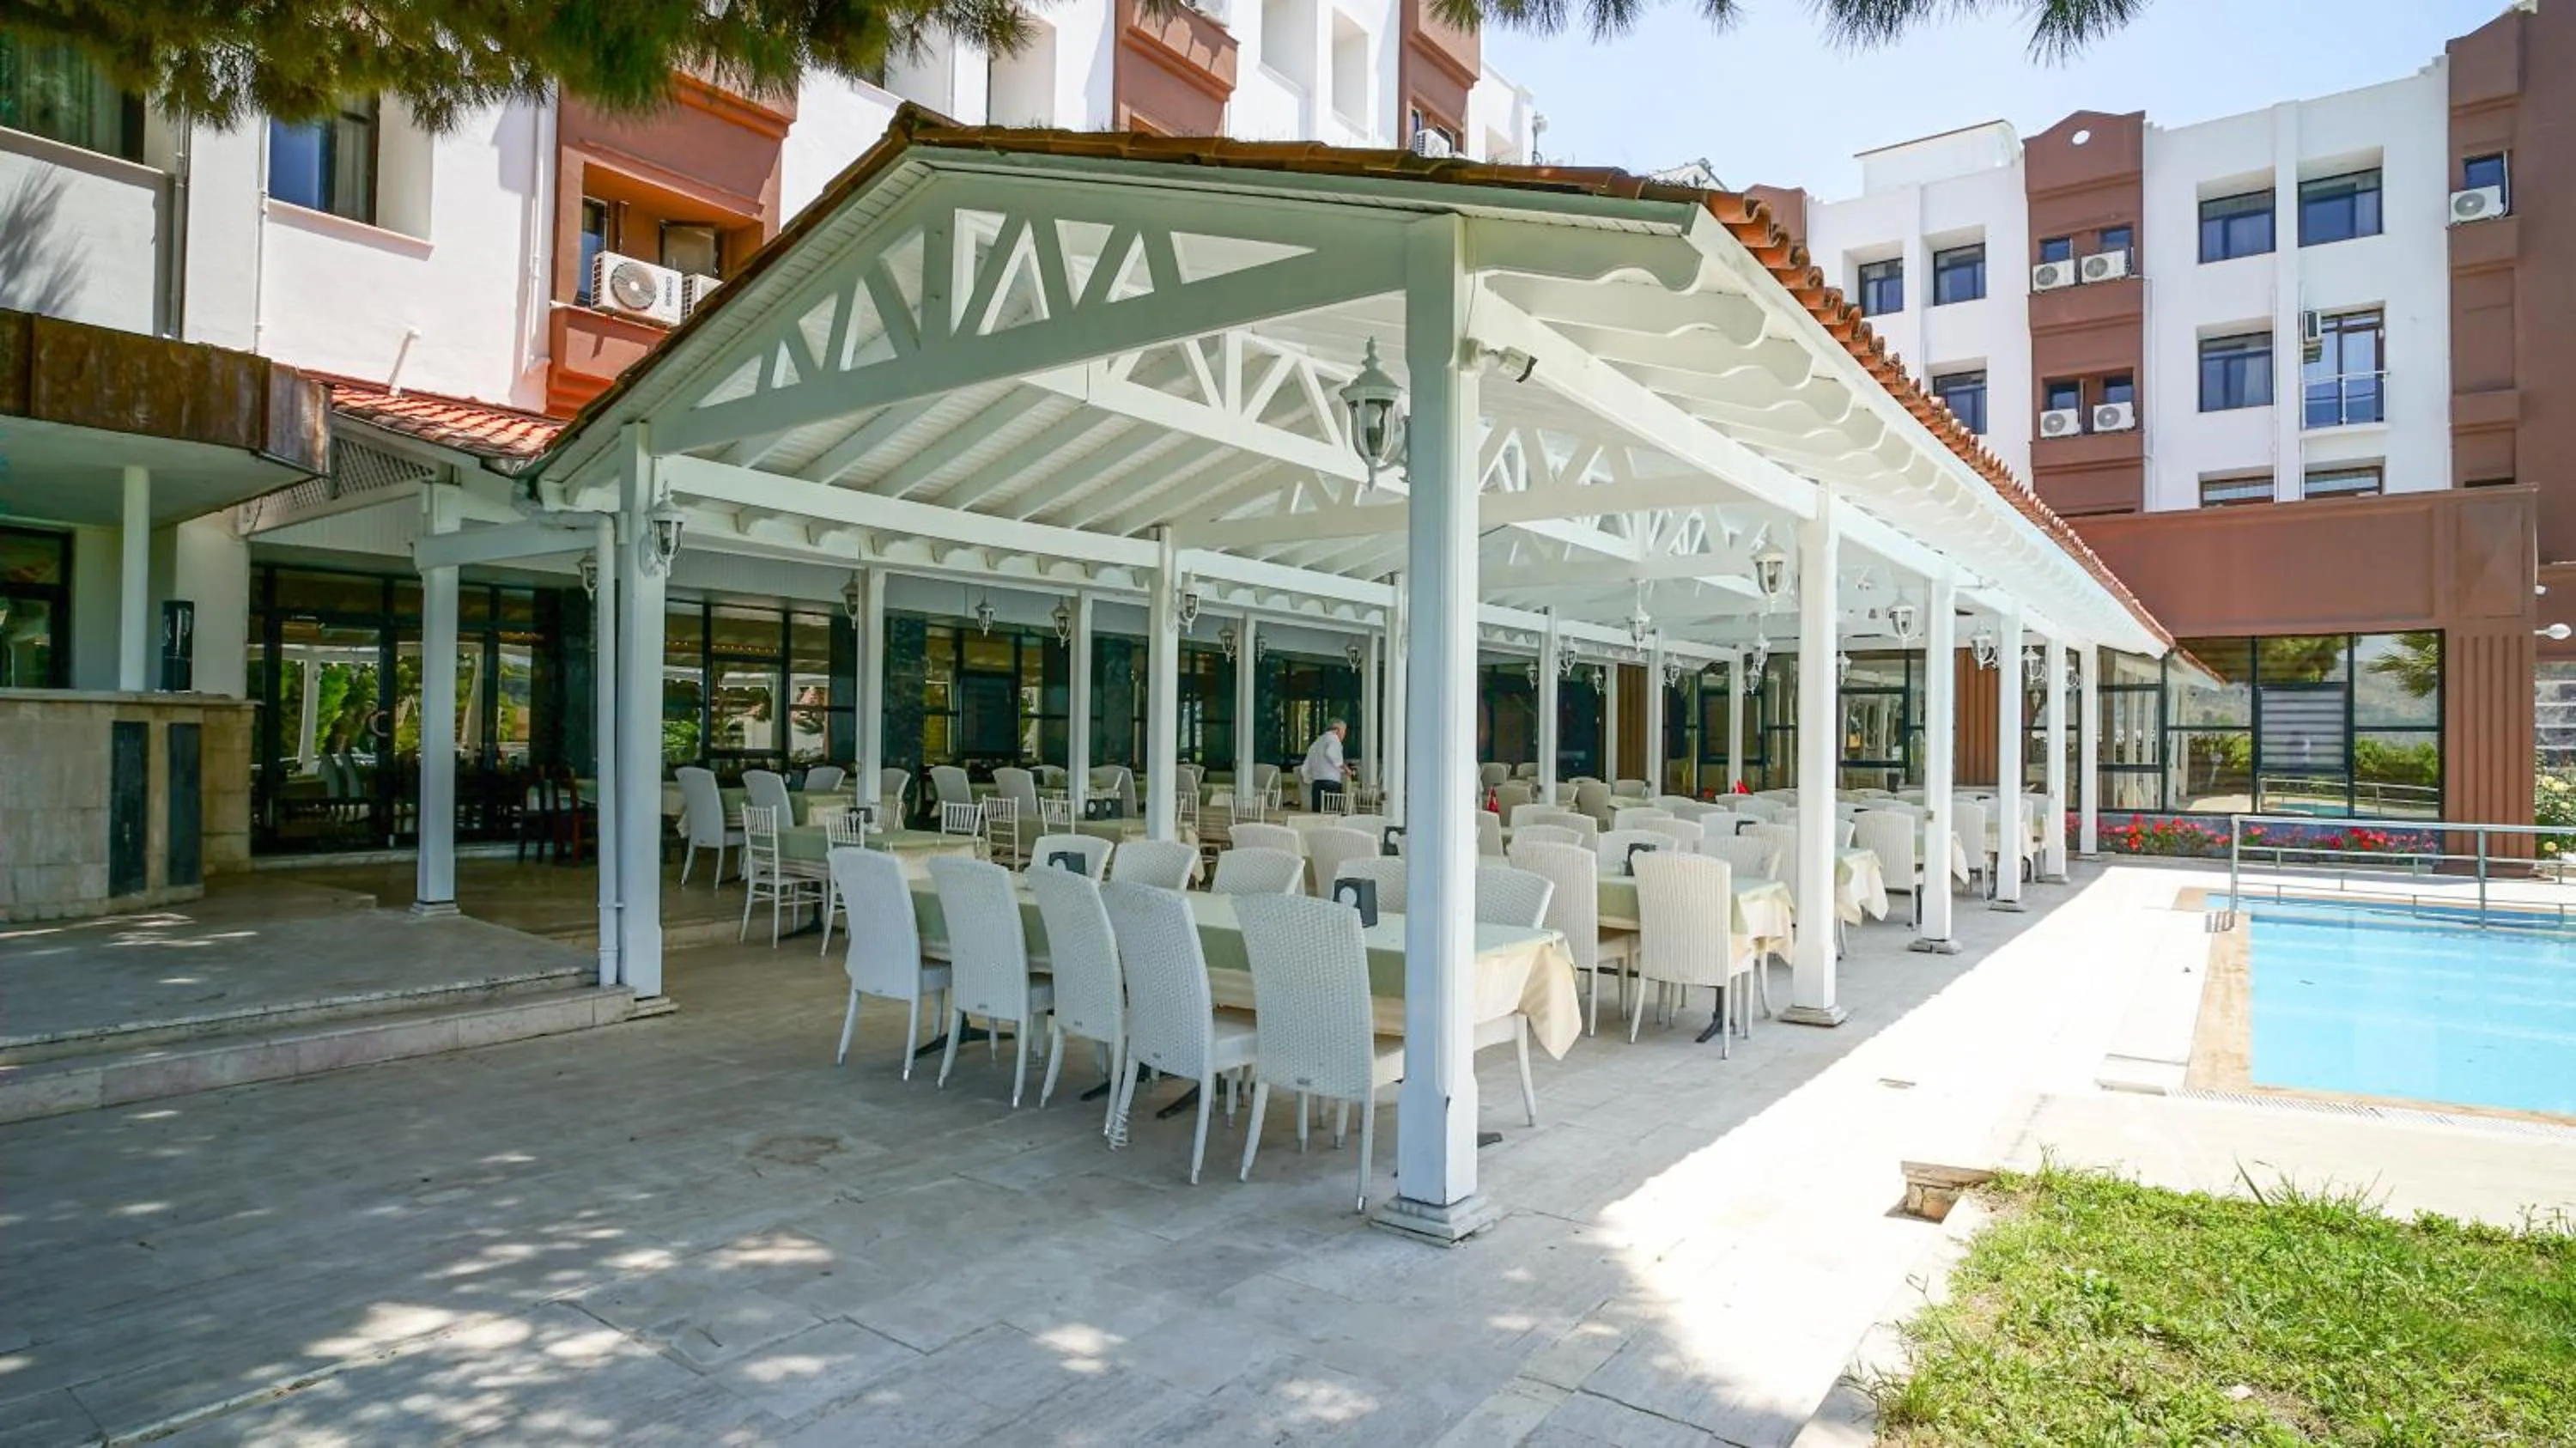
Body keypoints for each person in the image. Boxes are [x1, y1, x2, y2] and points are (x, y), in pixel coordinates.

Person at [1299, 719, 1352, 812]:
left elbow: (1306, 765)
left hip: (1317, 785)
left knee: (1318, 816)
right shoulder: (1333, 738)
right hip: (1331, 785)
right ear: (1337, 730)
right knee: (1333, 816)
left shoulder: (1317, 742)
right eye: (1344, 731)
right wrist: (1345, 768)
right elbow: (1331, 753)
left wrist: (1308, 778)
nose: (1344, 735)